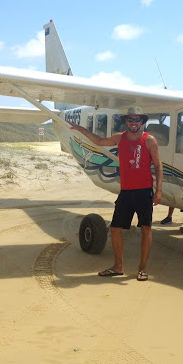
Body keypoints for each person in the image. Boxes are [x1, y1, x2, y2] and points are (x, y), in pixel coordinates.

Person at [70, 107, 162, 282]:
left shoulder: (149, 140)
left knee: (145, 229)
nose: (133, 123)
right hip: (126, 192)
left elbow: (158, 166)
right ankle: (118, 266)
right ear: (126, 121)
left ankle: (142, 269)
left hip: (144, 192)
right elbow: (99, 141)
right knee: (115, 228)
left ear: (142, 121)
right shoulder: (120, 137)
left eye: (137, 120)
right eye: (130, 120)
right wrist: (81, 129)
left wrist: (158, 191)